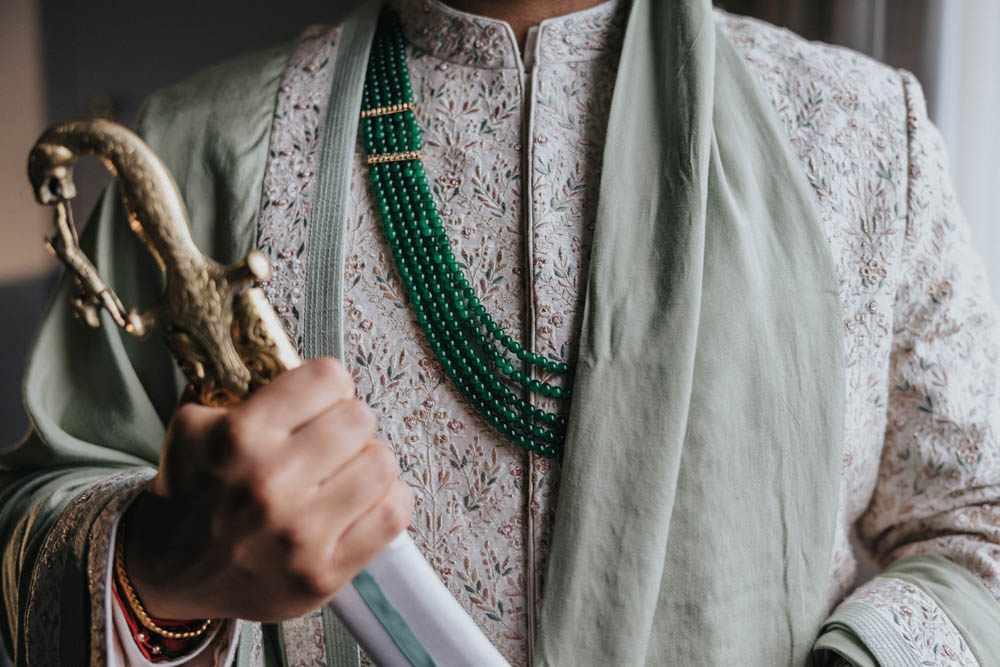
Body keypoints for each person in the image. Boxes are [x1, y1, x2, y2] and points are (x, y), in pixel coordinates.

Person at [3, 0, 1000, 664]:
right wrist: (167, 567)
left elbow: (978, 528)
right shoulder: (192, 154)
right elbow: (37, 518)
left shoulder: (864, 136)